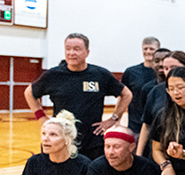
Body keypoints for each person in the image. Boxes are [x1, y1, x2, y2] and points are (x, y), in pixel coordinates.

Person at [25, 33, 132, 162]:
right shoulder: (53, 75)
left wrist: (113, 119)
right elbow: (29, 93)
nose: (71, 53)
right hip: (61, 141)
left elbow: (126, 94)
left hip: (92, 142)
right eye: (68, 48)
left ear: (87, 52)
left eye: (77, 49)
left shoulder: (100, 75)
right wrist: (42, 118)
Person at [137, 51, 185, 157]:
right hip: (159, 153)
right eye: (166, 68)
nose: (169, 71)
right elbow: (147, 124)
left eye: (173, 67)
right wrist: (139, 154)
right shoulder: (155, 91)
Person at [122, 37, 160, 134]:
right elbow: (123, 96)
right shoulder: (131, 72)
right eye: (145, 49)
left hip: (158, 126)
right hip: (135, 126)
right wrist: (117, 120)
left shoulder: (163, 73)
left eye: (151, 49)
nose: (148, 52)